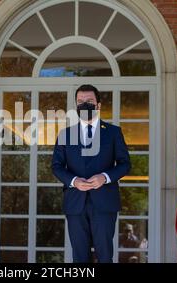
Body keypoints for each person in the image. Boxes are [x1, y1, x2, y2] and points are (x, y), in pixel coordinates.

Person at [51, 84, 131, 263]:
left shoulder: (113, 132)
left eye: (89, 101)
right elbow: (56, 166)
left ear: (98, 105)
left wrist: (105, 177)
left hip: (104, 202)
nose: (84, 105)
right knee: (79, 258)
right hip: (75, 203)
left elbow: (125, 164)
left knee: (104, 256)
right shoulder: (65, 134)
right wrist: (73, 181)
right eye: (80, 102)